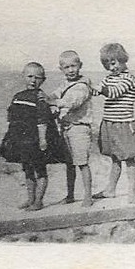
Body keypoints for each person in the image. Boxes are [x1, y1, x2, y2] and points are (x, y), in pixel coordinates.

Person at [0, 62, 59, 211]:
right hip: (21, 140)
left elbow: (42, 120)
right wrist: (10, 138)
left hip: (36, 140)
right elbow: (12, 119)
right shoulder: (18, 96)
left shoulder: (40, 98)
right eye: (30, 76)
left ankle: (38, 201)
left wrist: (43, 140)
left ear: (43, 80)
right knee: (27, 169)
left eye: (38, 77)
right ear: (23, 76)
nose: (33, 80)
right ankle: (30, 198)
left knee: (40, 170)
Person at [92, 43, 135, 204]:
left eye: (113, 63)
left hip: (124, 124)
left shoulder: (129, 77)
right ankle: (110, 190)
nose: (111, 67)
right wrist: (91, 88)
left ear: (121, 59)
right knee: (115, 158)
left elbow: (114, 93)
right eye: (107, 64)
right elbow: (99, 88)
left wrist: (99, 89)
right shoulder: (108, 78)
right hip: (109, 123)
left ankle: (132, 192)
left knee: (129, 158)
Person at [50, 50, 94, 207]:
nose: (70, 70)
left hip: (79, 129)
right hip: (66, 128)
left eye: (73, 66)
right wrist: (48, 99)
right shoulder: (65, 84)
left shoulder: (82, 85)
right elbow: (56, 94)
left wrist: (55, 103)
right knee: (69, 164)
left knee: (82, 163)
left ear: (80, 66)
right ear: (61, 69)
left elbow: (73, 101)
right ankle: (70, 195)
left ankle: (88, 196)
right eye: (66, 67)